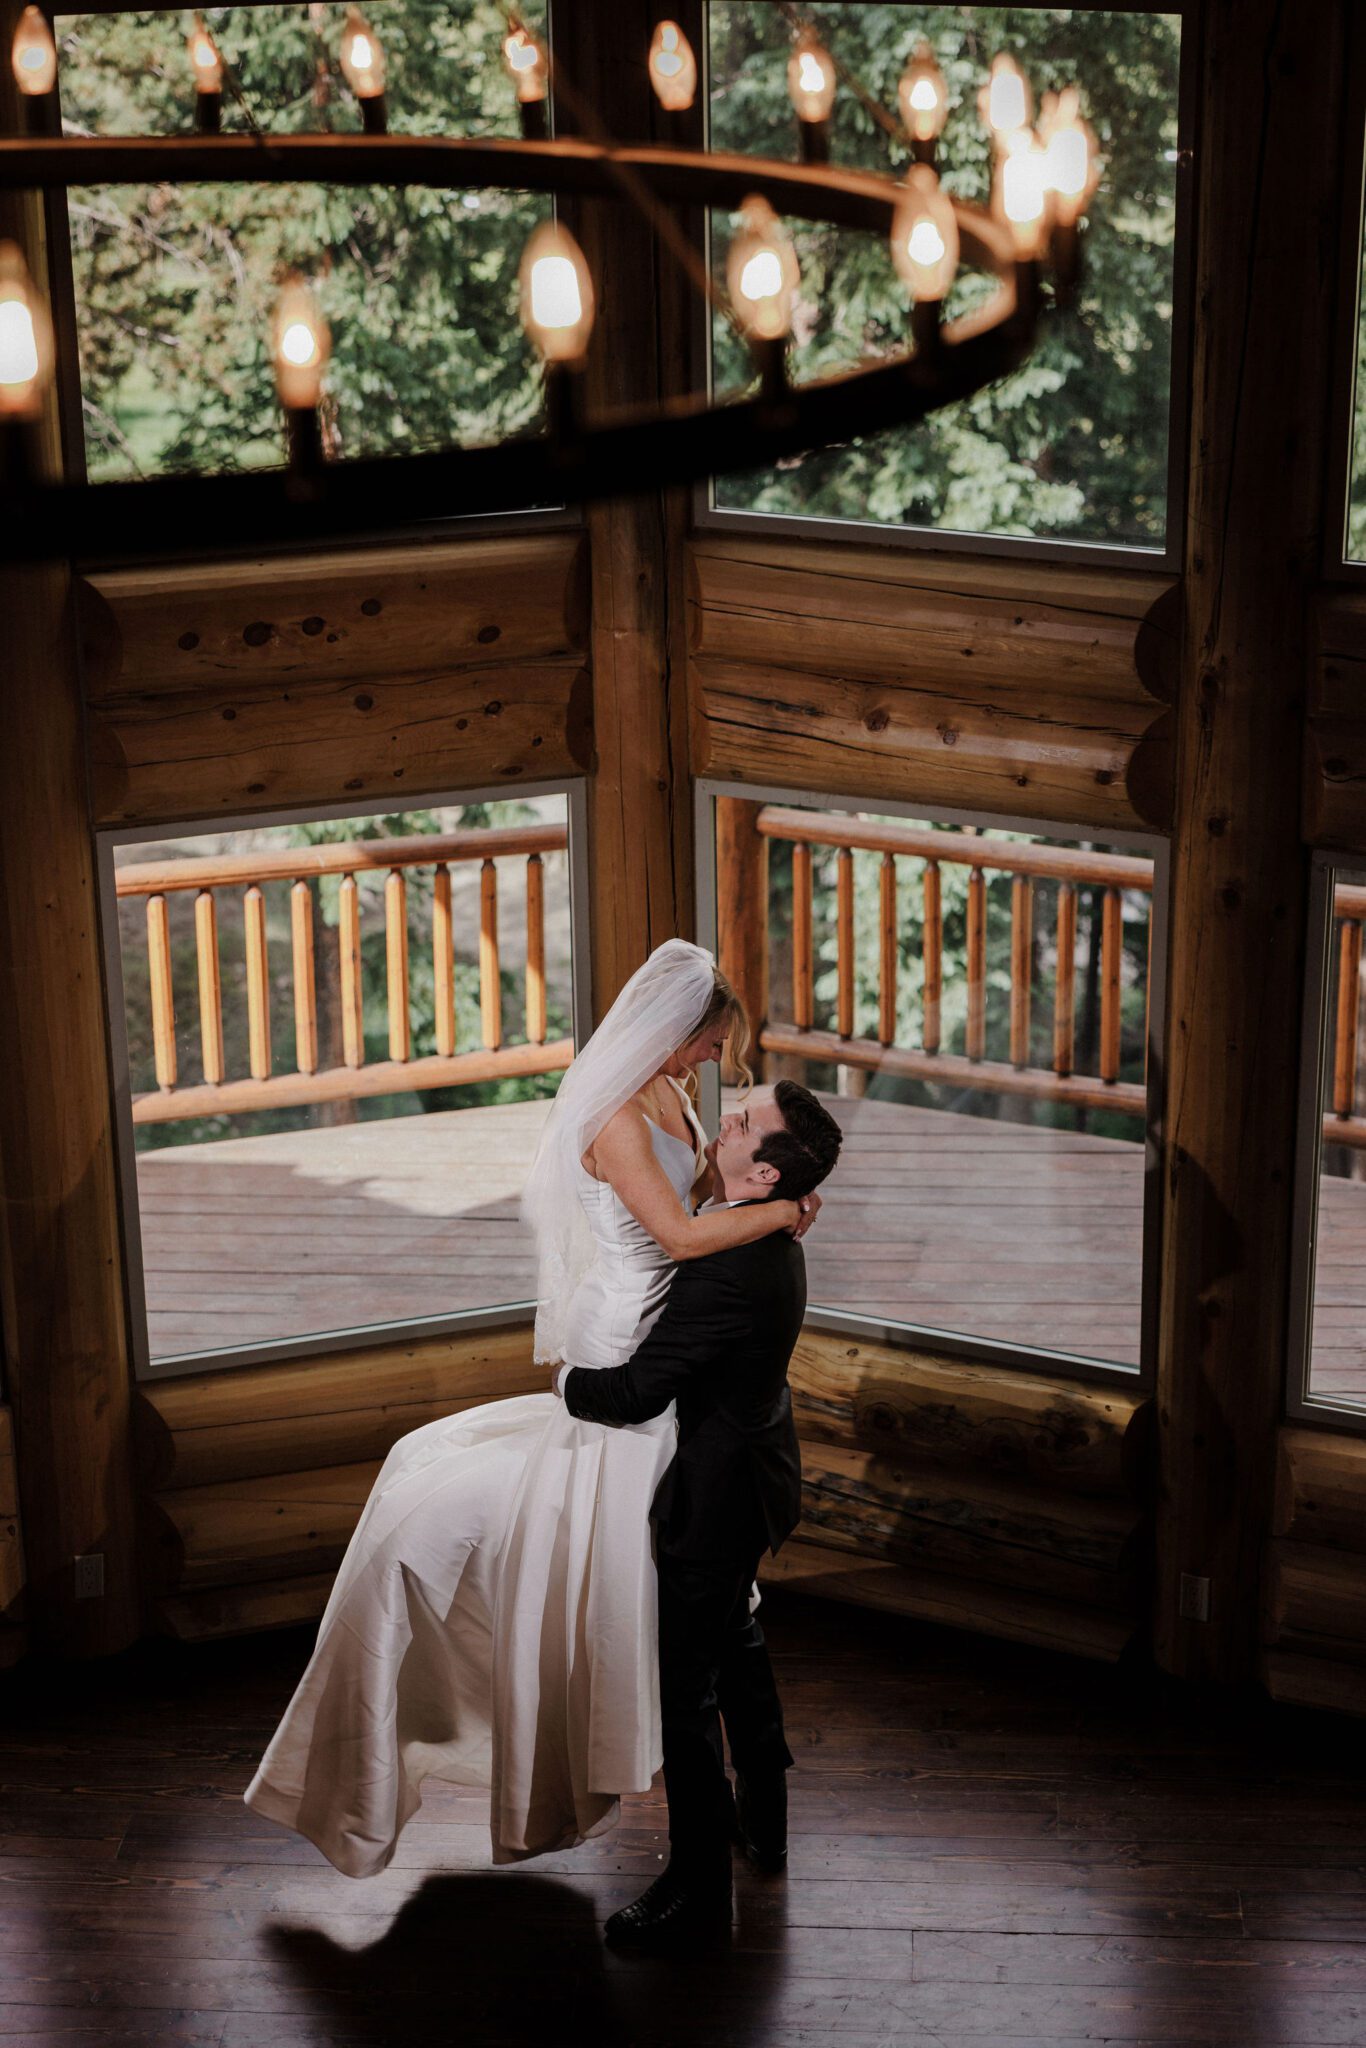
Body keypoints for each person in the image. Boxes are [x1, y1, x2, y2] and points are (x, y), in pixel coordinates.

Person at [243, 939, 819, 1873]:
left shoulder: (670, 1096)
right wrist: (783, 1212)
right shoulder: (618, 1122)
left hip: (663, 1344)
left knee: (695, 1604)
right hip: (626, 1335)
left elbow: (707, 1198)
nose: (716, 1065)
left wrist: (756, 1199)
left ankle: (706, 1775)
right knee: (578, 1537)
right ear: (672, 1034)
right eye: (710, 1045)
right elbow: (677, 1234)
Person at [557, 1078, 844, 1949]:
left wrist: (567, 1380)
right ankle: (768, 1817)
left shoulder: (726, 1268)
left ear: (761, 1177)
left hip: (717, 1498)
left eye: (743, 1123)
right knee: (737, 1639)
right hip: (757, 1472)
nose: (725, 1120)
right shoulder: (765, 1238)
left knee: (686, 1691)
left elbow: (638, 1391)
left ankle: (694, 1886)